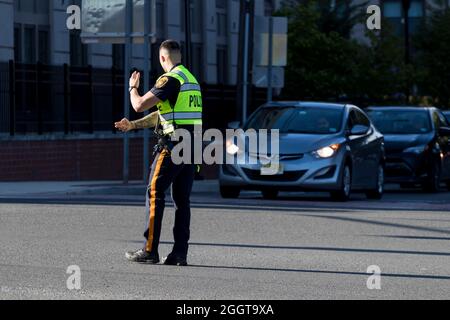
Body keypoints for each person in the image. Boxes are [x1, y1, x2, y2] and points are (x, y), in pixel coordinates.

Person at [115, 40, 202, 266]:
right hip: (192, 146)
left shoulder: (170, 79)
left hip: (174, 144)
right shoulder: (191, 80)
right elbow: (161, 115)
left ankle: (149, 249)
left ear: (163, 58)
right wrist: (133, 125)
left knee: (154, 191)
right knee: (182, 200)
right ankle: (179, 254)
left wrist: (132, 87)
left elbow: (140, 104)